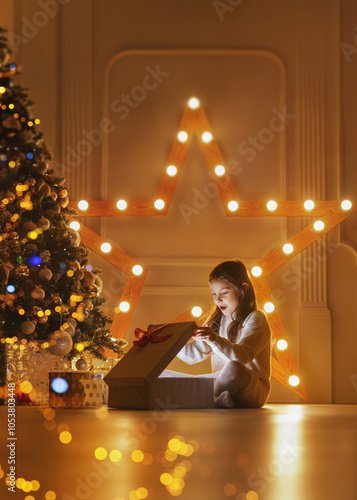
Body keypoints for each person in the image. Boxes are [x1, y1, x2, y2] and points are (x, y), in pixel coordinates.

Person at [177, 260, 271, 408]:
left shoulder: (256, 318)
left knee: (233, 368)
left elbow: (241, 357)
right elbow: (192, 356)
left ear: (243, 289)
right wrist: (169, 340)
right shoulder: (216, 319)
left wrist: (214, 339)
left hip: (252, 389)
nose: (217, 299)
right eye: (214, 293)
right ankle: (218, 399)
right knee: (169, 375)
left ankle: (208, 400)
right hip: (222, 384)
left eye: (224, 293)